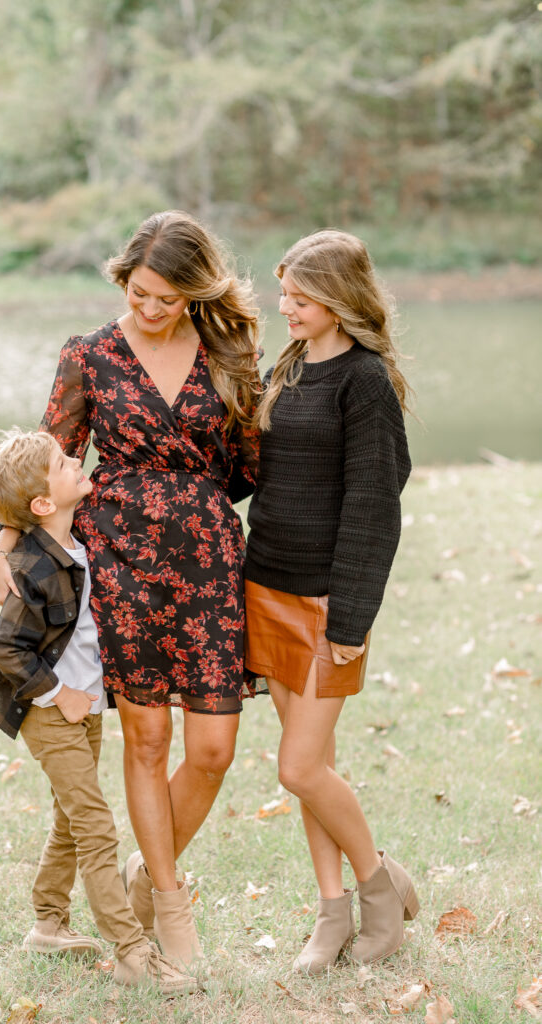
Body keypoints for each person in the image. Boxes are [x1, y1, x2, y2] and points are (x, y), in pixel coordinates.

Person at [0, 211, 262, 967]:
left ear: (196, 294)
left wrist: (191, 504)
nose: (149, 309)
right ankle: (169, 912)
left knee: (212, 747)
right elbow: (45, 457)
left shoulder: (230, 352)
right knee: (146, 740)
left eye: (167, 299)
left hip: (207, 564)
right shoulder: (91, 354)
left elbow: (247, 463)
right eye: (140, 292)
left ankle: (146, 874)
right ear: (124, 280)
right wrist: (1, 545)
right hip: (118, 564)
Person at [243, 229, 417, 974]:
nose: (285, 306)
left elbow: (374, 503)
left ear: (340, 298)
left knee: (299, 768)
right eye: (282, 292)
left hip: (322, 601)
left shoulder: (364, 380)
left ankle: (379, 888)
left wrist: (350, 617)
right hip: (265, 585)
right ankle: (330, 911)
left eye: (300, 296)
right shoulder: (285, 367)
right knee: (310, 762)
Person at [0, 430, 196, 995]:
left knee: (71, 820)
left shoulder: (72, 543)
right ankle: (132, 951)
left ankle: (47, 923)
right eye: (64, 462)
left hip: (84, 709)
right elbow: (7, 650)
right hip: (55, 712)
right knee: (95, 828)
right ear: (43, 503)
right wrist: (58, 694)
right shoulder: (35, 568)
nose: (78, 461)